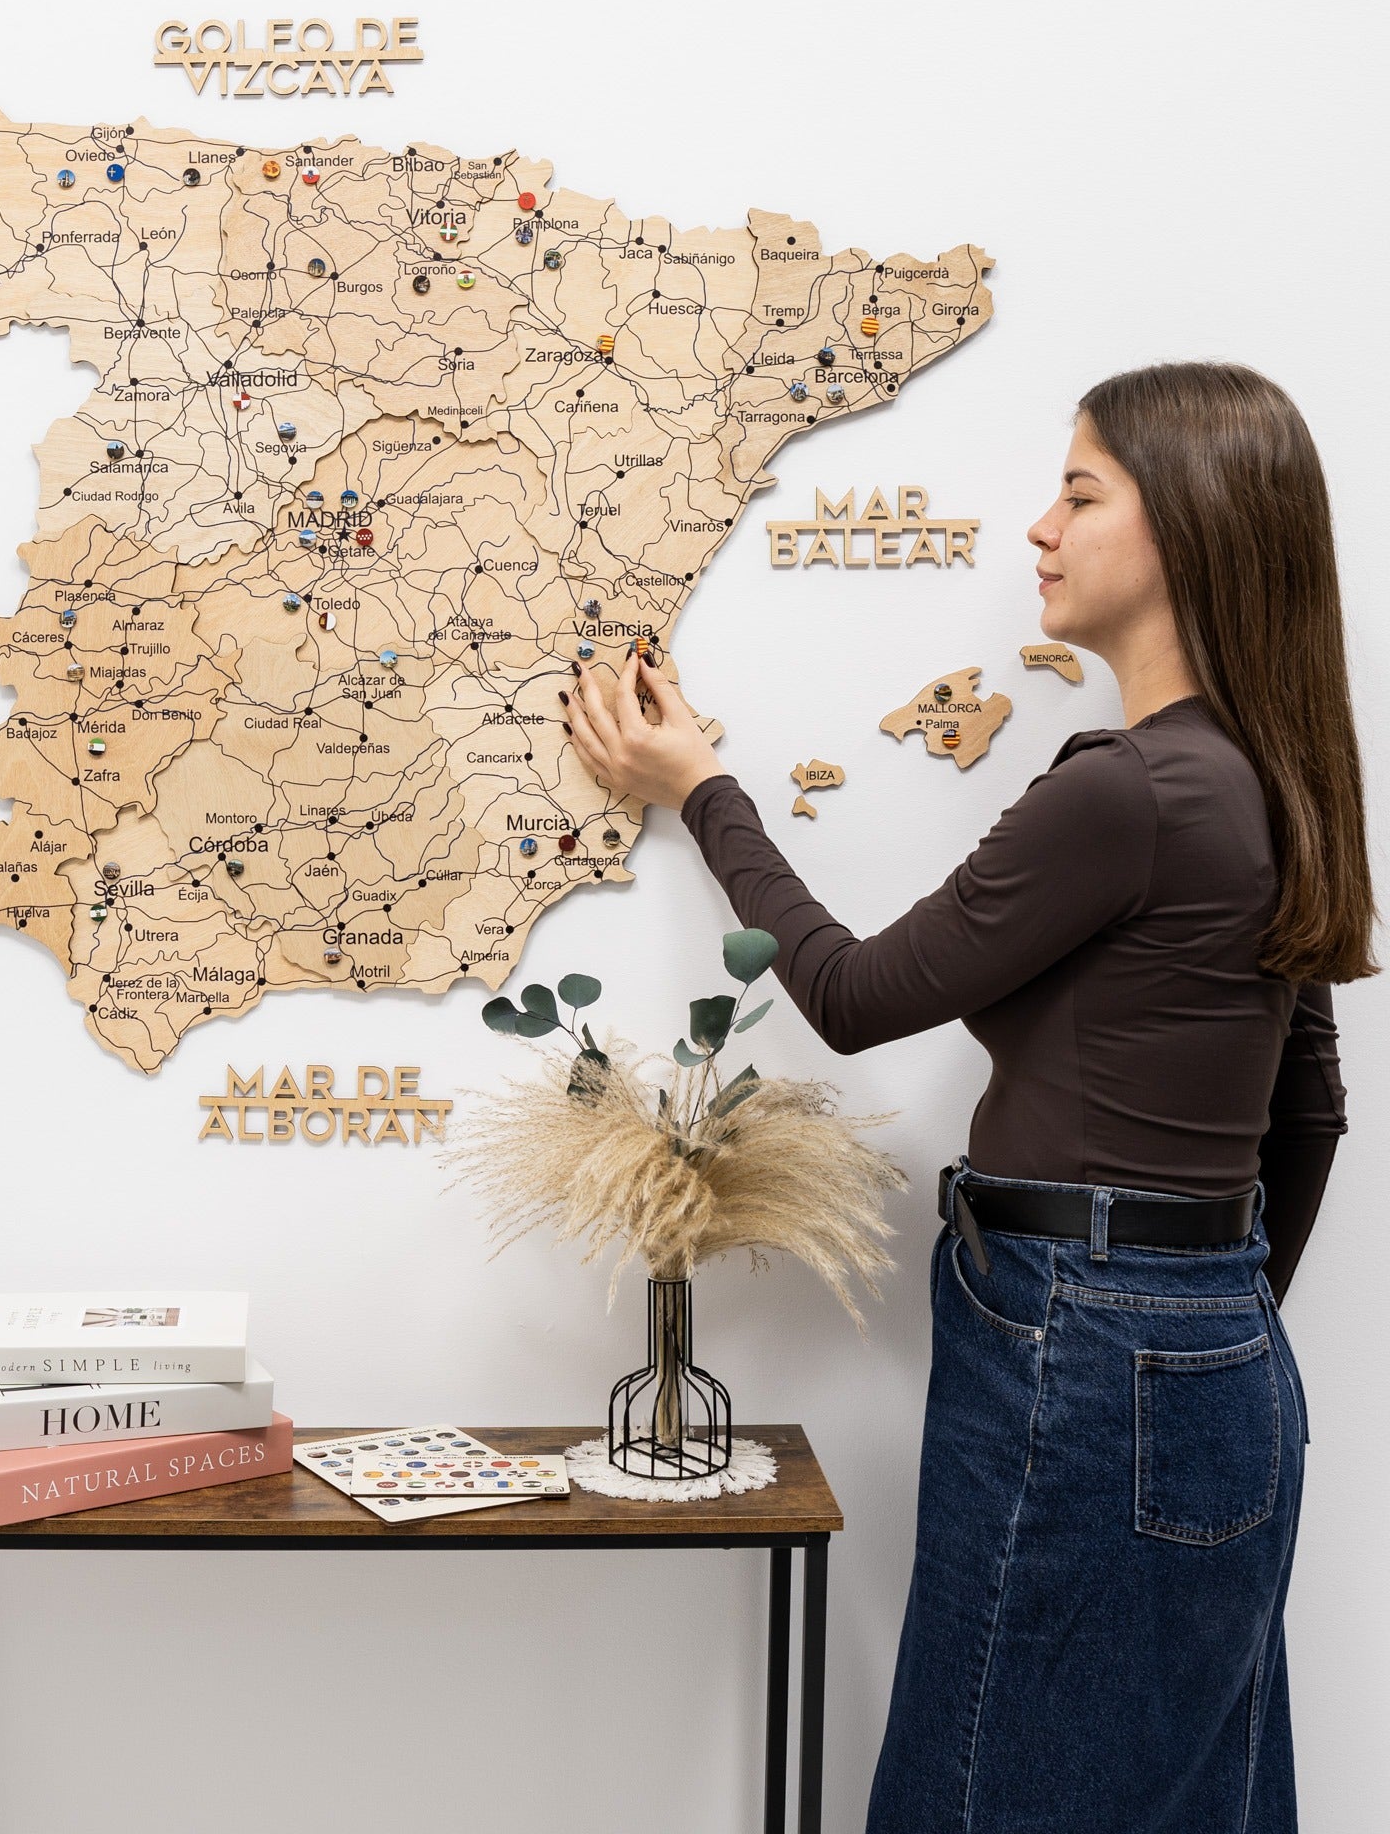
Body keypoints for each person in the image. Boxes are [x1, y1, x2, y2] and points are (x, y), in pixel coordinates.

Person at [563, 362, 1371, 1833]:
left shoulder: (1128, 792)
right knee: (1196, 1794)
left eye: (1080, 491)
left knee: (980, 1780)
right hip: (1224, 1364)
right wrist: (1206, 1331)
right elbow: (1305, 1121)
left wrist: (705, 791)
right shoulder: (1275, 781)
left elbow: (859, 998)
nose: (1040, 530)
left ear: (1184, 527)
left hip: (1079, 1334)